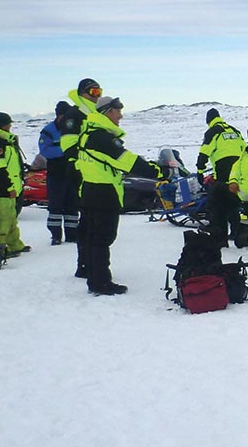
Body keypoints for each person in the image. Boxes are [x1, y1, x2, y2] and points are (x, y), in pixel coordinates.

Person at [76, 95, 161, 295]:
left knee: (89, 235)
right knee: (102, 238)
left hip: (89, 190)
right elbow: (127, 161)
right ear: (107, 112)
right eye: (118, 111)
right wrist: (157, 172)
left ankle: (88, 270)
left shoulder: (88, 133)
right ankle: (100, 282)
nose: (120, 116)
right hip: (103, 193)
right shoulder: (102, 138)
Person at [59, 78, 103, 278]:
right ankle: (85, 265)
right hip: (80, 172)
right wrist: (82, 164)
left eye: (99, 91)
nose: (97, 96)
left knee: (90, 220)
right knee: (88, 221)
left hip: (92, 172)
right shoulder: (74, 115)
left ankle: (87, 264)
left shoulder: (93, 113)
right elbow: (69, 146)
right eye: (93, 92)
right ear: (83, 93)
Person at [0, 112, 30, 256]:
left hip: (9, 187)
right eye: (9, 124)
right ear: (3, 125)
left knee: (11, 219)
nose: (10, 126)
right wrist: (8, 187)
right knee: (1, 220)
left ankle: (14, 245)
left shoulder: (4, 140)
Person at [196, 108, 245, 245]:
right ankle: (236, 234)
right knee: (233, 204)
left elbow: (204, 152)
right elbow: (244, 149)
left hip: (223, 174)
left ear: (208, 121)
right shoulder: (234, 131)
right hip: (237, 173)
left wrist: (200, 170)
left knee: (216, 206)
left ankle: (220, 239)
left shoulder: (212, 132)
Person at [38, 101, 79, 245]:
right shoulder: (48, 131)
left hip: (73, 173)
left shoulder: (74, 128)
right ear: (59, 115)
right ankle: (55, 236)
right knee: (55, 206)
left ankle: (72, 235)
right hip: (56, 175)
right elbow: (45, 151)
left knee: (72, 206)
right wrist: (65, 150)